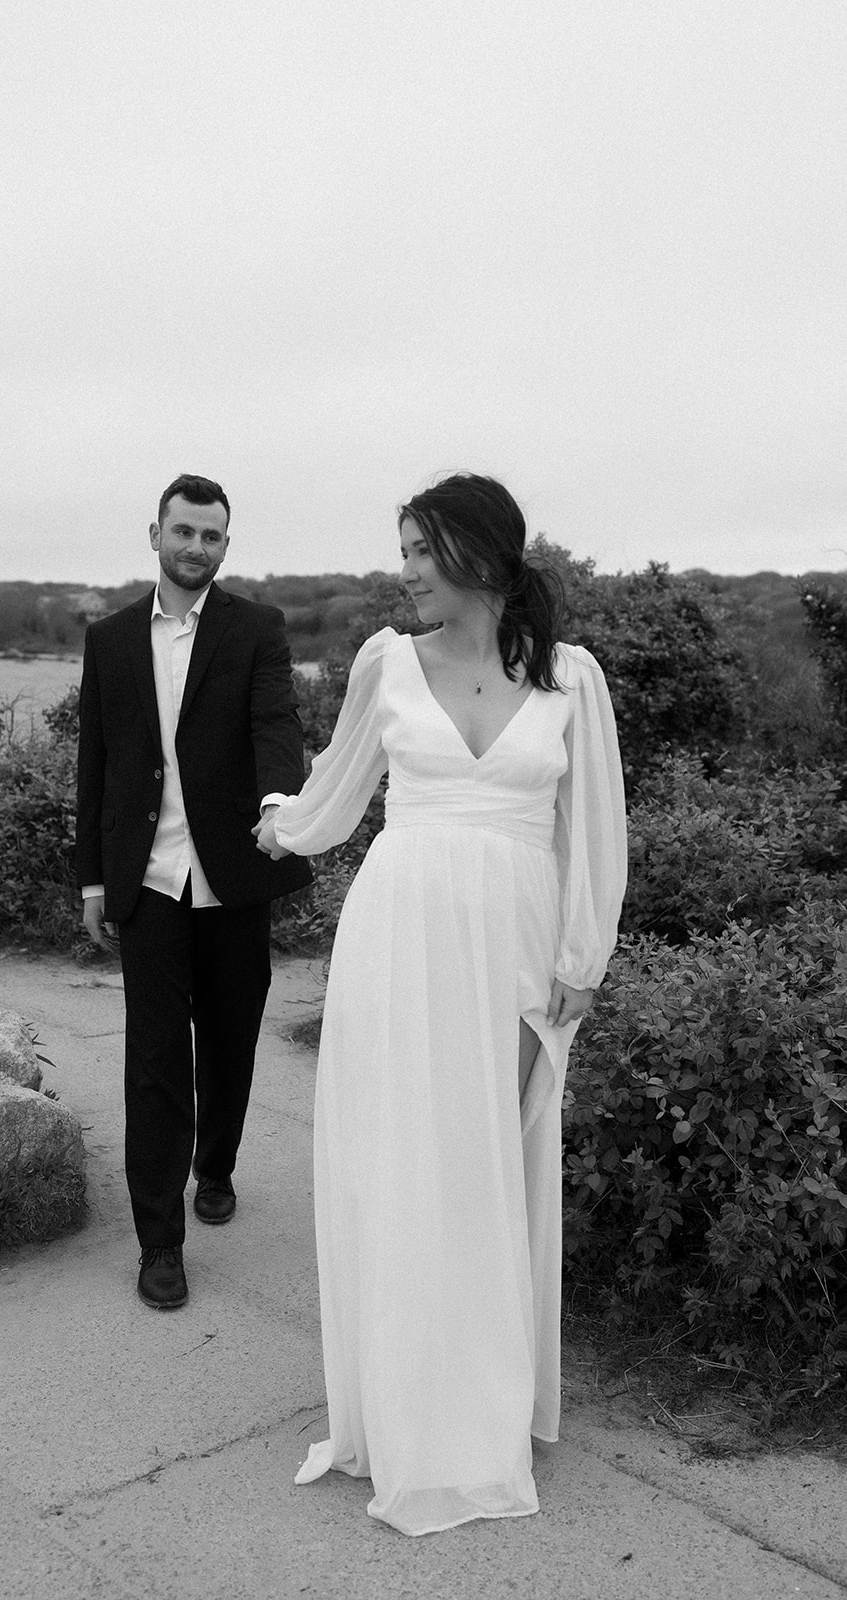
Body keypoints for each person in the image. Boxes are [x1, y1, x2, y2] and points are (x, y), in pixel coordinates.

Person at [253, 472, 627, 1535]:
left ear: (480, 553)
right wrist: (281, 822)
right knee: (403, 1161)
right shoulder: (383, 661)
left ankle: (482, 1403)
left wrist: (577, 962)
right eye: (402, 548)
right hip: (398, 939)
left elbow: (593, 831)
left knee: (488, 1164)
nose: (404, 569)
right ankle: (405, 1404)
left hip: (511, 947)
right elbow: (337, 789)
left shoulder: (571, 679)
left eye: (420, 548)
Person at [77, 473, 311, 1311]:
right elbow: (97, 765)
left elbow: (274, 725)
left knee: (230, 1035)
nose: (196, 549)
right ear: (155, 534)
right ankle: (159, 1242)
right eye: (183, 532)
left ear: (224, 544)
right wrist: (93, 879)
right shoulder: (107, 640)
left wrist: (280, 803)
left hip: (233, 871)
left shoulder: (257, 630)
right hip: (146, 874)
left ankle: (215, 1165)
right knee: (153, 1059)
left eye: (211, 537)